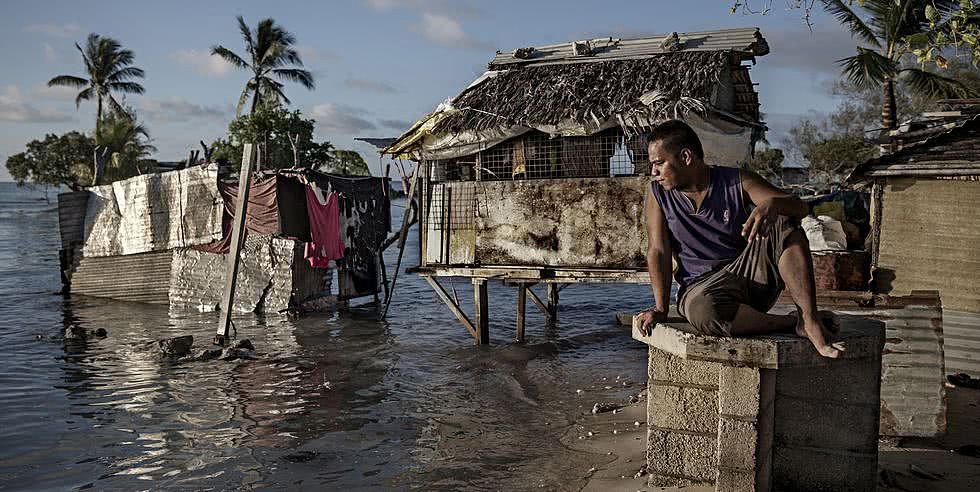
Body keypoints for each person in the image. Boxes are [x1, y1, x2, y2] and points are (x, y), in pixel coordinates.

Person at [636, 120, 844, 358]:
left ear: (685, 157)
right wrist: (661, 309)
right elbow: (658, 251)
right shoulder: (658, 195)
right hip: (700, 290)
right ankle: (791, 323)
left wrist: (773, 204)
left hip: (748, 280)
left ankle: (809, 318)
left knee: (784, 221)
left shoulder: (737, 181)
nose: (654, 172)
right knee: (704, 311)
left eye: (659, 163)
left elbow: (800, 208)